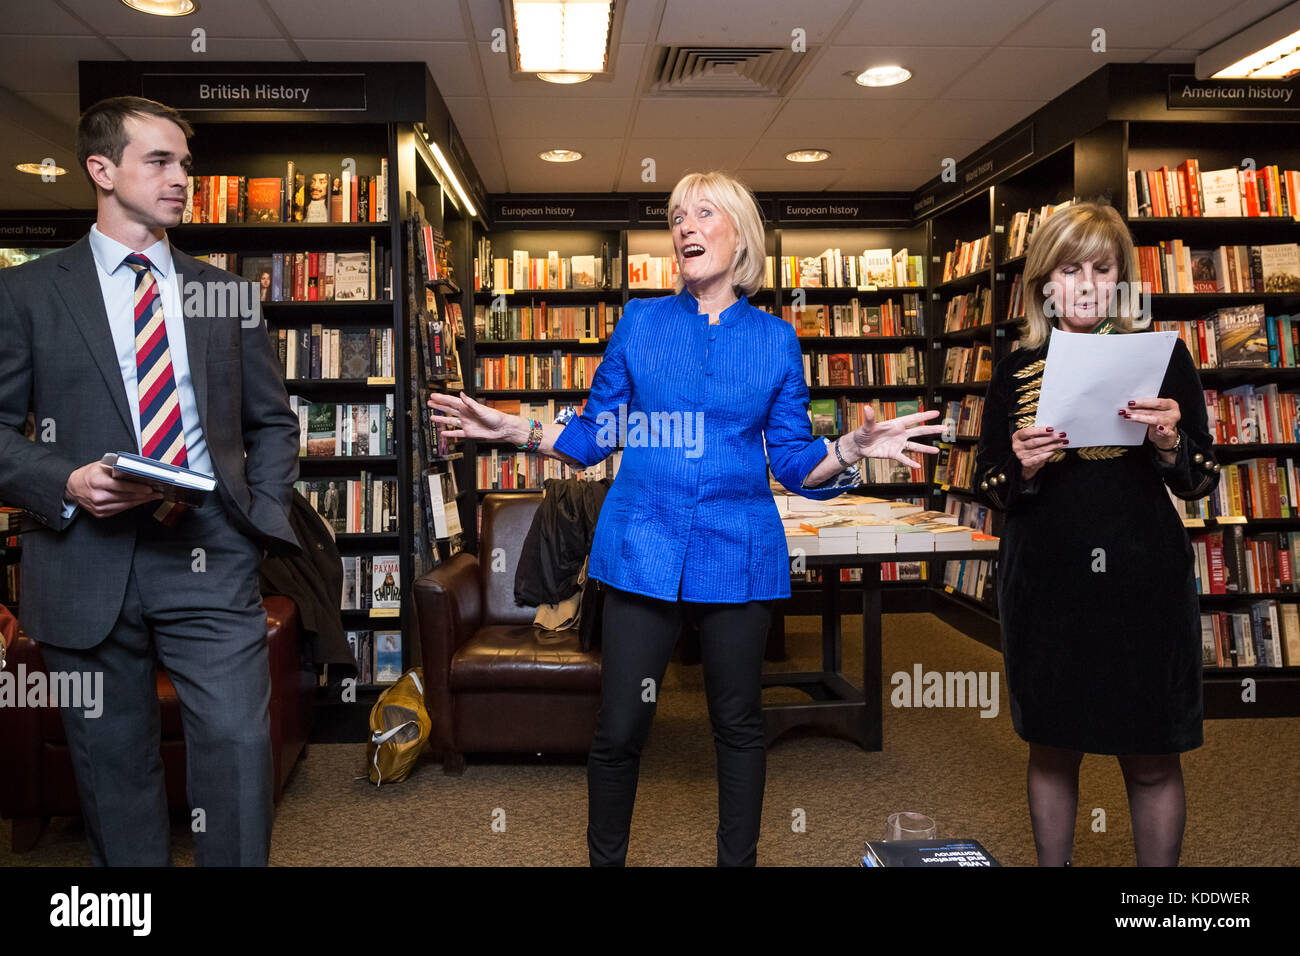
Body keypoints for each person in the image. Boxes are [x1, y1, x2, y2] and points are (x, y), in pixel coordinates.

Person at [429, 170, 944, 866]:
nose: (686, 227)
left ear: (740, 235)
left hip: (739, 554)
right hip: (641, 546)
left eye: (704, 213)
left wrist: (849, 448)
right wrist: (512, 429)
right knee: (619, 728)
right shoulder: (641, 323)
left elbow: (793, 462)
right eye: (676, 217)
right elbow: (592, 436)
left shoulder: (775, 340)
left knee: (737, 724)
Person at [0, 96, 301, 865]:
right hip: (82, 562)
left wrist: (257, 522)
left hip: (208, 552)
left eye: (186, 164)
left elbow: (273, 422)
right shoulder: (27, 293)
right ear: (102, 170)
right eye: (159, 161)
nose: (181, 179)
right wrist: (64, 478)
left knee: (237, 747)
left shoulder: (223, 292)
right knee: (114, 770)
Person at [973, 201, 1218, 866]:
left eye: (1101, 268)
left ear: (1120, 279)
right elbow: (986, 485)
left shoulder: (1163, 360)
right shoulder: (1015, 368)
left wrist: (1169, 441)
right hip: (1047, 584)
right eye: (1068, 268)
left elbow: (1200, 482)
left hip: (1144, 584)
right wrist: (1019, 466)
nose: (1085, 283)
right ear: (1044, 283)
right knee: (1052, 747)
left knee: (1151, 754)